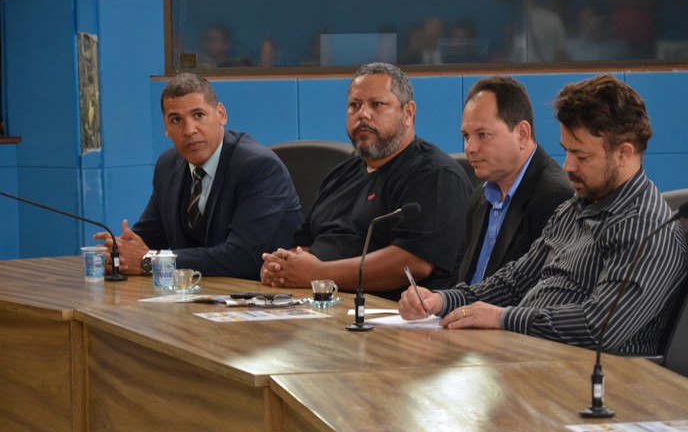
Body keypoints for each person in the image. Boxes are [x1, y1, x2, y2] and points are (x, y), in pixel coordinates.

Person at [400, 74, 688, 355]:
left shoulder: (648, 229)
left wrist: (503, 319)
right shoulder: (575, 208)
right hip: (526, 358)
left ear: (624, 153)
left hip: (590, 381)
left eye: (582, 156)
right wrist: (443, 301)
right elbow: (512, 284)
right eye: (566, 151)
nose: (567, 166)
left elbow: (600, 328)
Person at [260, 62, 472, 300]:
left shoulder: (435, 175)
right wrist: (281, 266)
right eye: (355, 105)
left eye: (377, 105)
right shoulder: (340, 175)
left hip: (392, 318)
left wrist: (320, 275)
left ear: (408, 113)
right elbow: (304, 244)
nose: (363, 114)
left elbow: (414, 262)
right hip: (319, 308)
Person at [94, 73, 302, 279]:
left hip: (260, 298)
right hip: (196, 295)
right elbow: (147, 240)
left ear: (221, 114)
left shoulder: (259, 167)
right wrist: (118, 252)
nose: (189, 130)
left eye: (198, 115)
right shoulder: (168, 166)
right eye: (176, 120)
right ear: (166, 127)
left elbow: (242, 257)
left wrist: (151, 260)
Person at [458, 76, 572, 285]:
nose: (470, 148)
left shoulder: (557, 198)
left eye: (483, 134)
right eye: (466, 136)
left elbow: (540, 296)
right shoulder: (480, 198)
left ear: (521, 134)